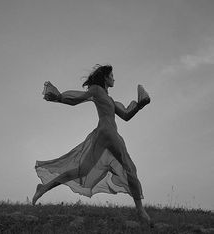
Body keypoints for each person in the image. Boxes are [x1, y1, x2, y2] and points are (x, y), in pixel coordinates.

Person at [32, 64, 153, 227]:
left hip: (104, 135)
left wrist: (140, 105)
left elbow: (126, 115)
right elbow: (79, 98)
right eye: (111, 75)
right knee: (130, 168)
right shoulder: (96, 90)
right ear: (105, 77)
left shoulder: (110, 100)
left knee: (82, 171)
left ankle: (44, 188)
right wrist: (59, 97)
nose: (114, 78)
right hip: (108, 133)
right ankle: (141, 211)